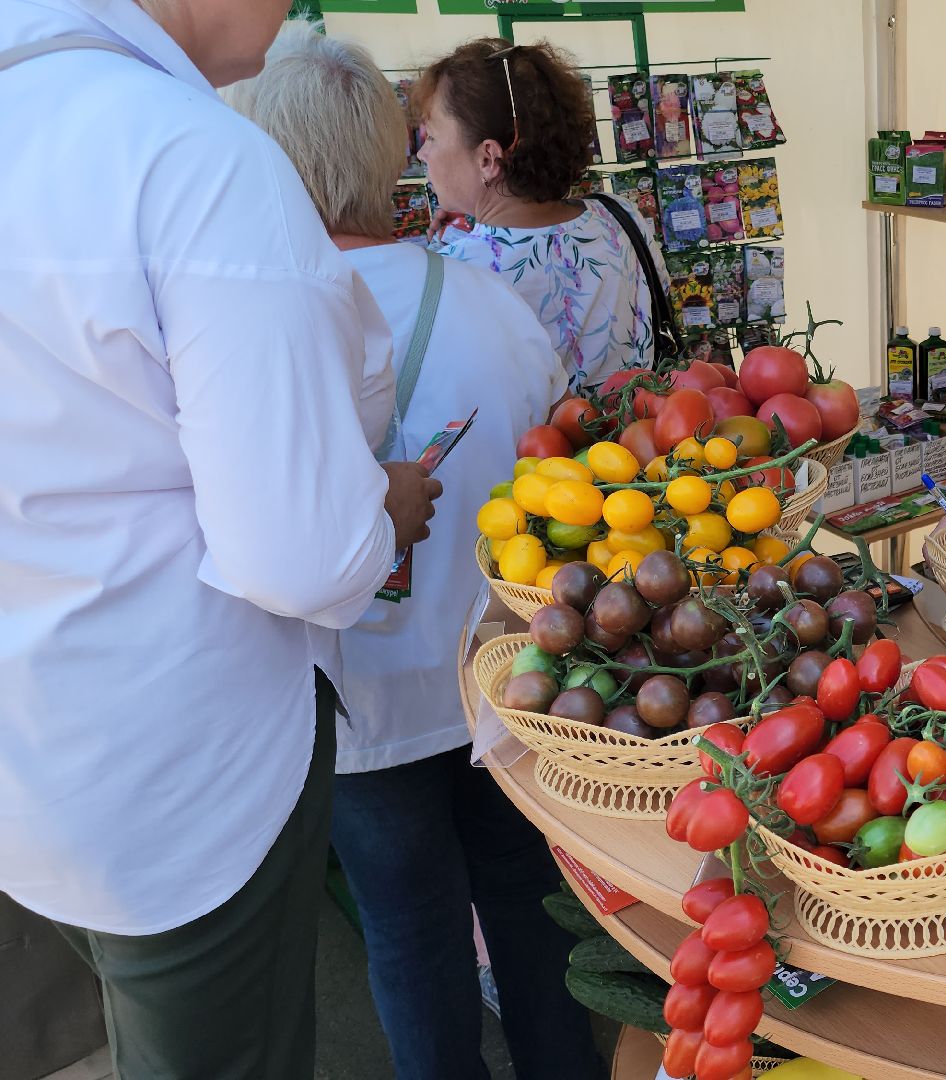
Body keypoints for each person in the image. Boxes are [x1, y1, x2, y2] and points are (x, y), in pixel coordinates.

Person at [0, 0, 441, 1075]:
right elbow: (296, 552)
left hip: (33, 742)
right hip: (182, 773)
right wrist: (381, 507)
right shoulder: (196, 157)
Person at [221, 24, 601, 1077]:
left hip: (359, 709)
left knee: (411, 939)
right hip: (509, 686)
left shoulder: (257, 333)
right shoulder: (497, 307)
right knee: (536, 922)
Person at [413, 37, 671, 390]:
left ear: (488, 157)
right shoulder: (621, 218)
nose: (422, 154)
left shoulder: (454, 274)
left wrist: (455, 249)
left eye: (432, 137)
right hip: (650, 438)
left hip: (539, 448)